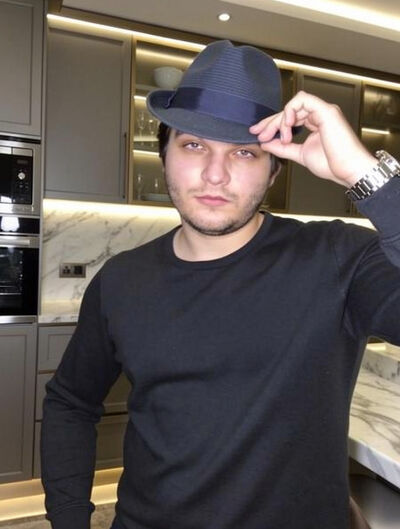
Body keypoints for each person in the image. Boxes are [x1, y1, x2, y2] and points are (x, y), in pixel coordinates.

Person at [41, 40, 400, 529]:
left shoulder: (339, 258)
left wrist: (364, 172)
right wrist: (68, 519)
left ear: (273, 170)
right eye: (194, 145)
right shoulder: (121, 280)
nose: (215, 174)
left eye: (244, 153)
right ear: (163, 154)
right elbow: (70, 401)